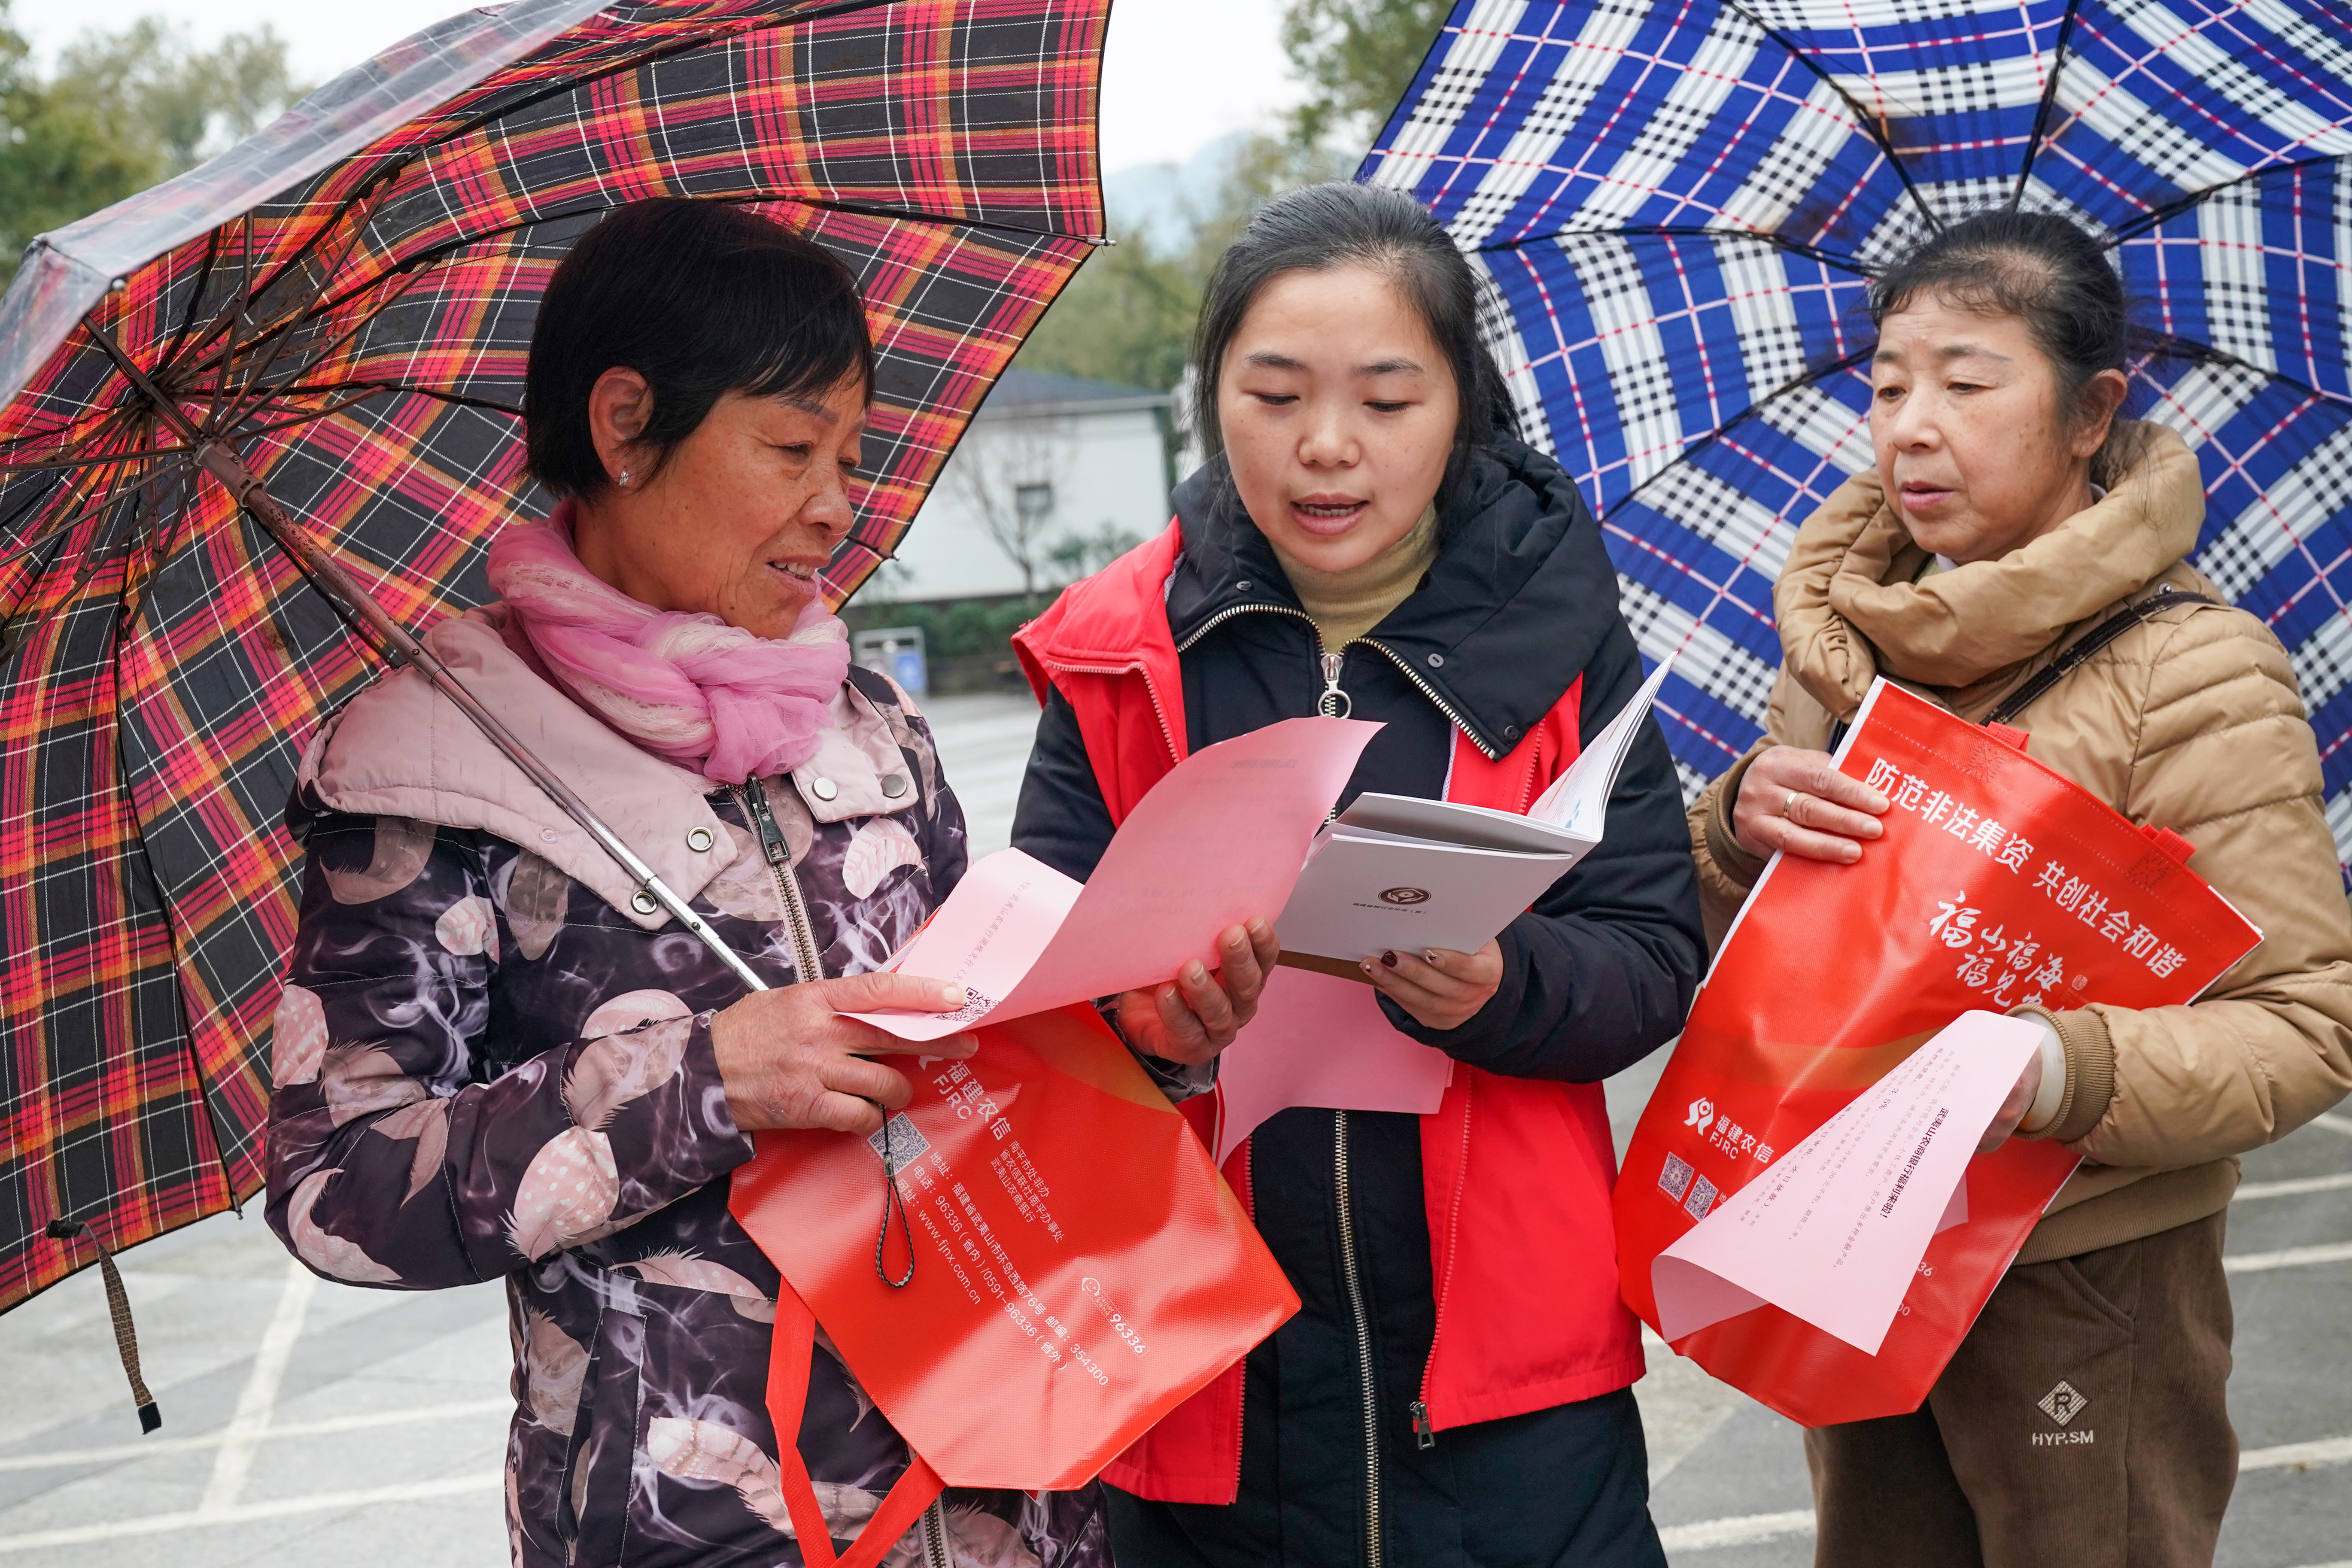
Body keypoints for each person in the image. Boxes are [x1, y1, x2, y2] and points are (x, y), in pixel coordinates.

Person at [263, 199, 1120, 1568]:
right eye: (791, 449)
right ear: (621, 423)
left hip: (1003, 1486)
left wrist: (1150, 1042)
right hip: (695, 1528)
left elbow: (991, 1058)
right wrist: (706, 1079)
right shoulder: (428, 771)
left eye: (851, 454)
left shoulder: (868, 720)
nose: (837, 506)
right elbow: (340, 1188)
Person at [1009, 181, 1705, 1567]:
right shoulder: (1116, 656)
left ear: (1463, 406)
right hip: (1199, 1376)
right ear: (1212, 399)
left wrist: (1506, 985)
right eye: (1273, 396)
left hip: (1510, 1393)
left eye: (1387, 401)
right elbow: (1030, 991)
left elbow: (1651, 954)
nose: (1326, 448)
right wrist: (1147, 1037)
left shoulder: (1563, 635)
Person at [1683, 209, 2352, 1568]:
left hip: (2085, 1273)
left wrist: (2060, 1067)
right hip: (1852, 1237)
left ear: (2093, 410)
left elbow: (2310, 1014)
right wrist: (1733, 833)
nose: (1911, 425)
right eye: (1886, 383)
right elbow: (1744, 974)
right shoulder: (1839, 657)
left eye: (1968, 380)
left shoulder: (2196, 669)